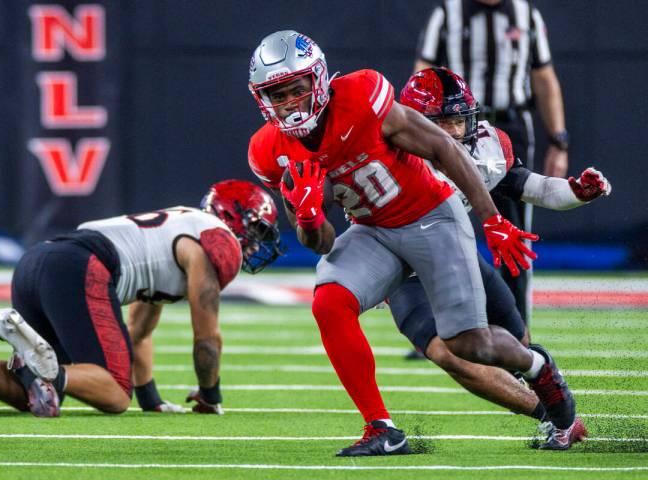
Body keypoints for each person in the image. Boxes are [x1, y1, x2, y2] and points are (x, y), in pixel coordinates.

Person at [247, 30, 573, 456]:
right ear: (261, 98)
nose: (290, 102)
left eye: (297, 88)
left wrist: (492, 221)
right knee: (329, 301)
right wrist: (308, 215)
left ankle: (537, 366)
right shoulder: (269, 150)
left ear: (320, 79)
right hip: (371, 230)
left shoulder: (362, 95)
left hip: (430, 217)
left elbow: (443, 147)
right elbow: (322, 244)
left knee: (466, 343)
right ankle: (381, 428)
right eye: (278, 93)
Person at [388, 67, 610, 449]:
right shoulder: (387, 156)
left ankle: (560, 418)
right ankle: (548, 416)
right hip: (402, 267)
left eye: (459, 120)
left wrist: (576, 192)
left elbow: (532, 187)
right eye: (440, 123)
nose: (454, 133)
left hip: (456, 256)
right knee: (448, 352)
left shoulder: (487, 148)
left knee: (517, 346)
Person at [0, 180, 284, 417]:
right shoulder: (215, 241)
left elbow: (139, 330)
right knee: (114, 394)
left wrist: (152, 400)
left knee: (32, 396)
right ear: (230, 217)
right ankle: (39, 370)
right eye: (253, 230)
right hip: (82, 266)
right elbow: (207, 338)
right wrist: (211, 397)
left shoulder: (178, 229)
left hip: (39, 260)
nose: (253, 243)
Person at [415, 0, 570, 323]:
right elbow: (422, 75)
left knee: (513, 229)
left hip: (506, 128)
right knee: (431, 227)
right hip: (448, 130)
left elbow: (544, 77)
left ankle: (516, 328)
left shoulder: (525, 14)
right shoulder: (448, 12)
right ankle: (434, 323)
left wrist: (559, 140)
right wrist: (418, 130)